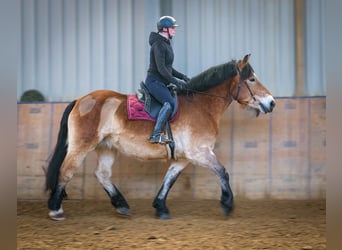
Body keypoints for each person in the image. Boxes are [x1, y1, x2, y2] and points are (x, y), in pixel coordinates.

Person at [145, 16, 190, 145]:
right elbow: (161, 69)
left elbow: (168, 68)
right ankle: (156, 135)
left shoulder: (165, 44)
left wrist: (183, 77)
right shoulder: (159, 44)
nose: (174, 30)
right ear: (164, 29)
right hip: (154, 82)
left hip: (162, 81)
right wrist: (176, 82)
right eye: (172, 28)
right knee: (169, 103)